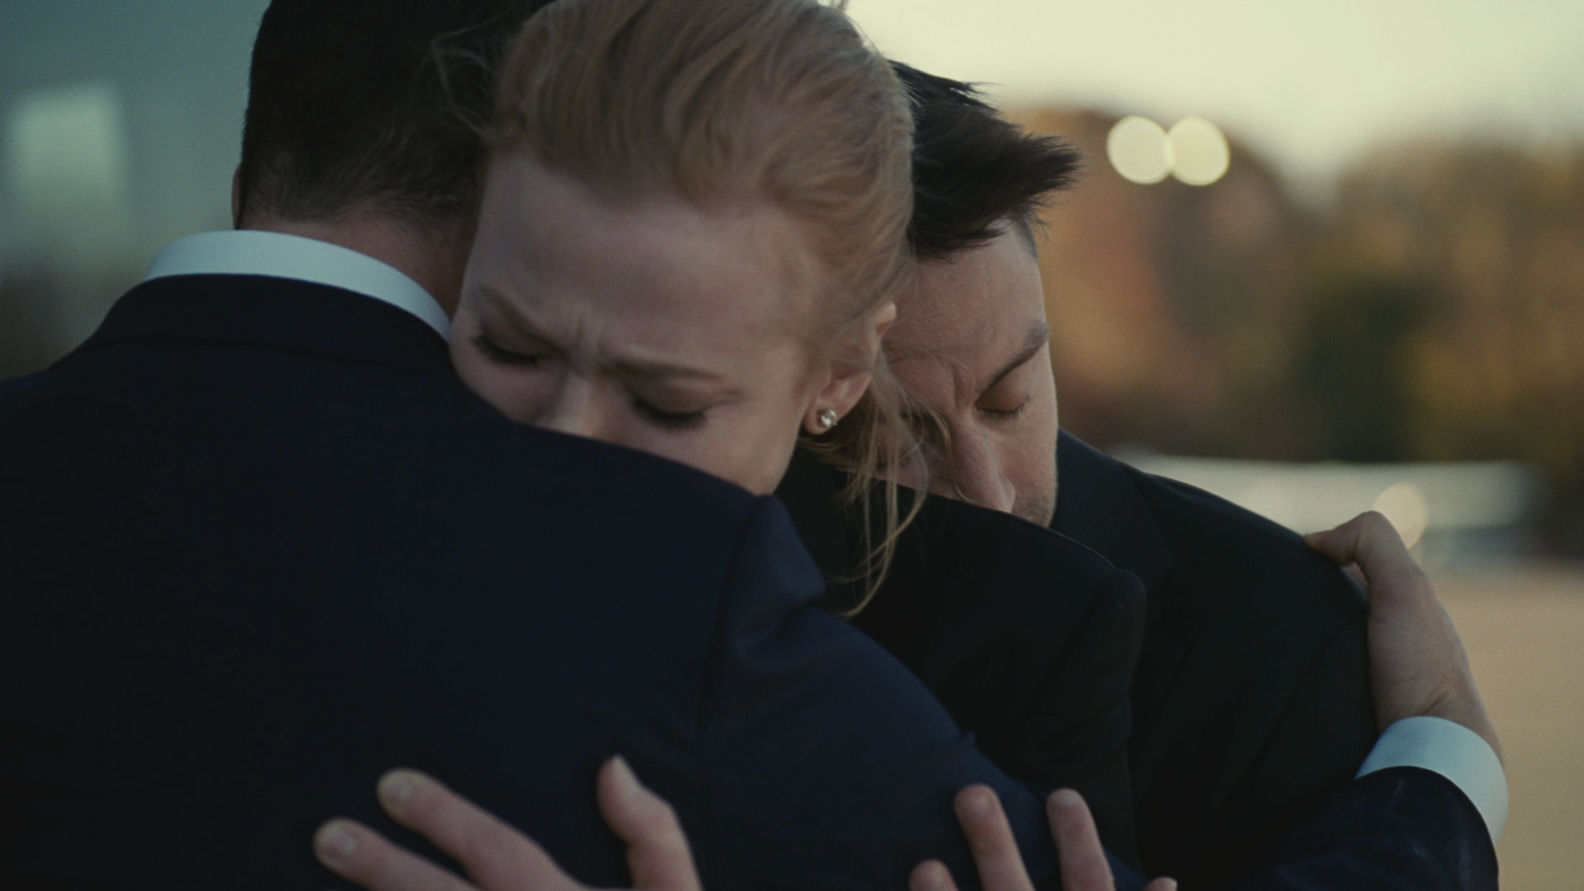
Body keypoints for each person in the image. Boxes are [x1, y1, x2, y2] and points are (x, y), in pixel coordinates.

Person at [0, 2, 1501, 891]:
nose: (565, 452)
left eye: (666, 400)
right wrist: (1441, 765)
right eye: (512, 345)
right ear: (497, 203)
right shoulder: (699, 614)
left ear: (831, 379)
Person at [772, 63, 1392, 886]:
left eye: (1010, 399)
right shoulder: (726, 598)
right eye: (900, 441)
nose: (991, 492)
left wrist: (1446, 772)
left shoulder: (1283, 640)